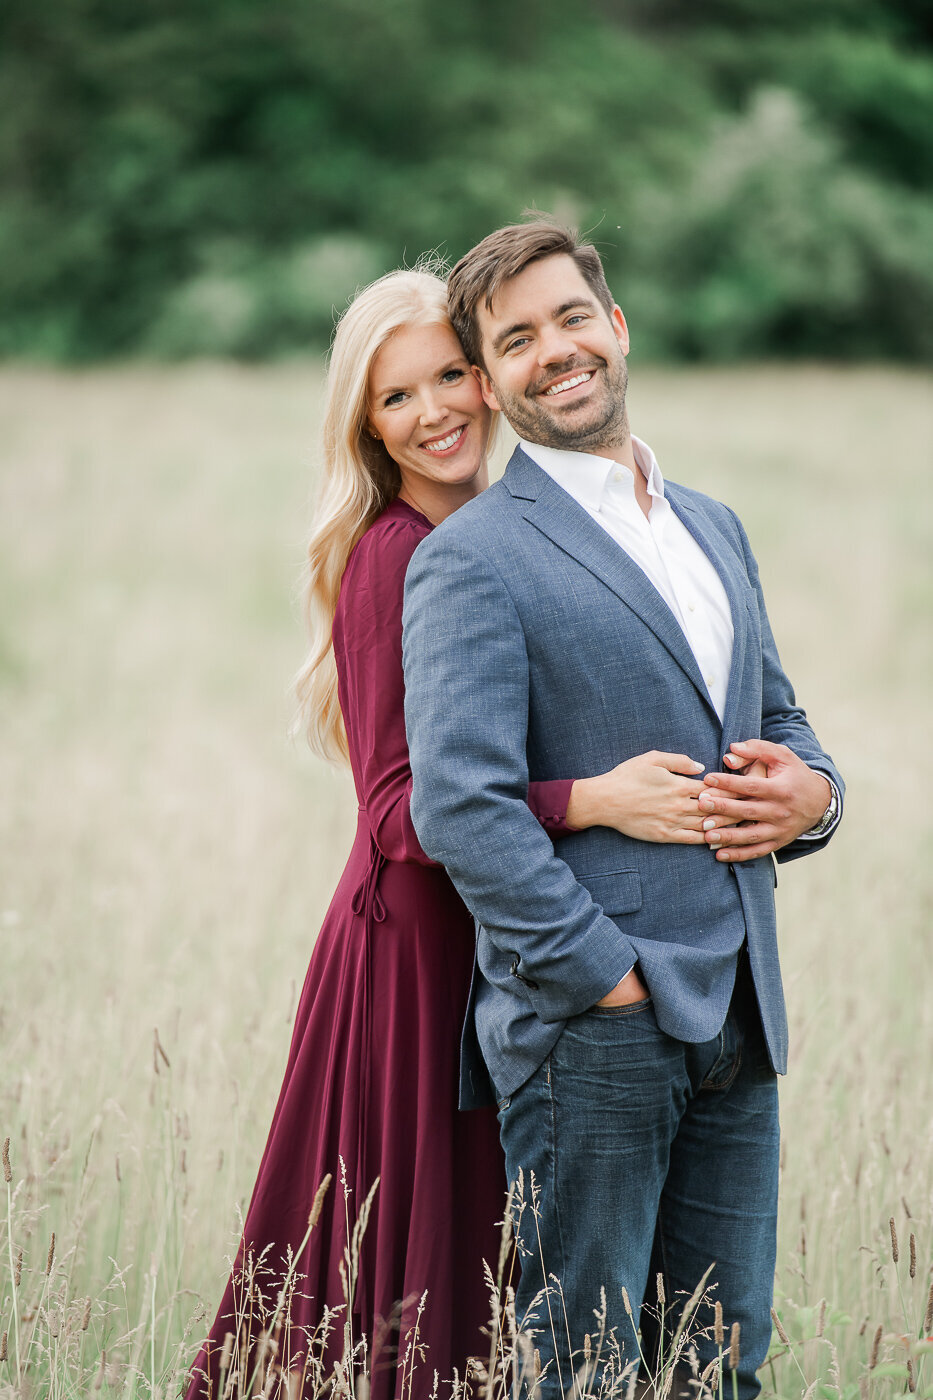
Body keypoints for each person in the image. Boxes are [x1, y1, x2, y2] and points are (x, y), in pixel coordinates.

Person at [185, 266, 729, 1400]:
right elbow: (395, 811)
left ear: (489, 381)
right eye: (396, 398)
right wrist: (589, 798)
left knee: (497, 1257)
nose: (433, 412)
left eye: (450, 376)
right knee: (414, 1271)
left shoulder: (509, 529)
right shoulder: (394, 552)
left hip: (500, 931)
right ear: (365, 424)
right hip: (416, 947)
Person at [401, 221, 844, 1399]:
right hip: (597, 1030)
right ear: (491, 383)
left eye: (569, 317)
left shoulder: (713, 524)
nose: (554, 350)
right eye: (516, 340)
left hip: (743, 1012)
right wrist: (605, 977)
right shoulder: (474, 559)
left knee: (720, 1365)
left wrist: (817, 793)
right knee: (582, 1374)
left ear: (617, 327)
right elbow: (462, 805)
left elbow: (782, 717)